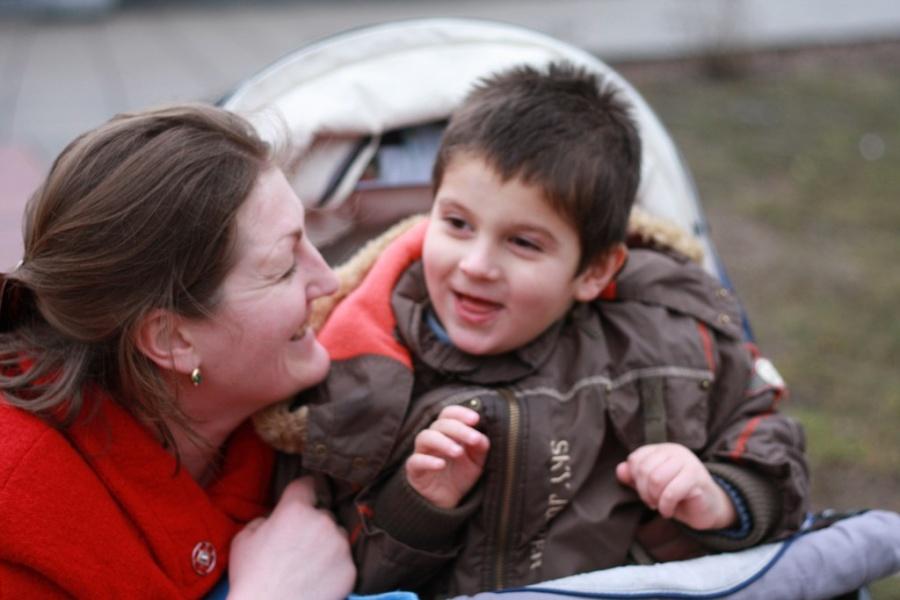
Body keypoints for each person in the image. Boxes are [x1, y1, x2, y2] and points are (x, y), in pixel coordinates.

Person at [257, 62, 810, 598]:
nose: (476, 264)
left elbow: (768, 444)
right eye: (456, 224)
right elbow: (326, 568)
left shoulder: (669, 340)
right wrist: (422, 503)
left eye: (522, 242)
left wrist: (719, 497)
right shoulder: (359, 367)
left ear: (594, 271)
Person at [0, 104, 356, 598]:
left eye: (309, 241)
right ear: (172, 340)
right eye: (282, 267)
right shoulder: (18, 512)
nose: (329, 280)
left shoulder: (273, 413)